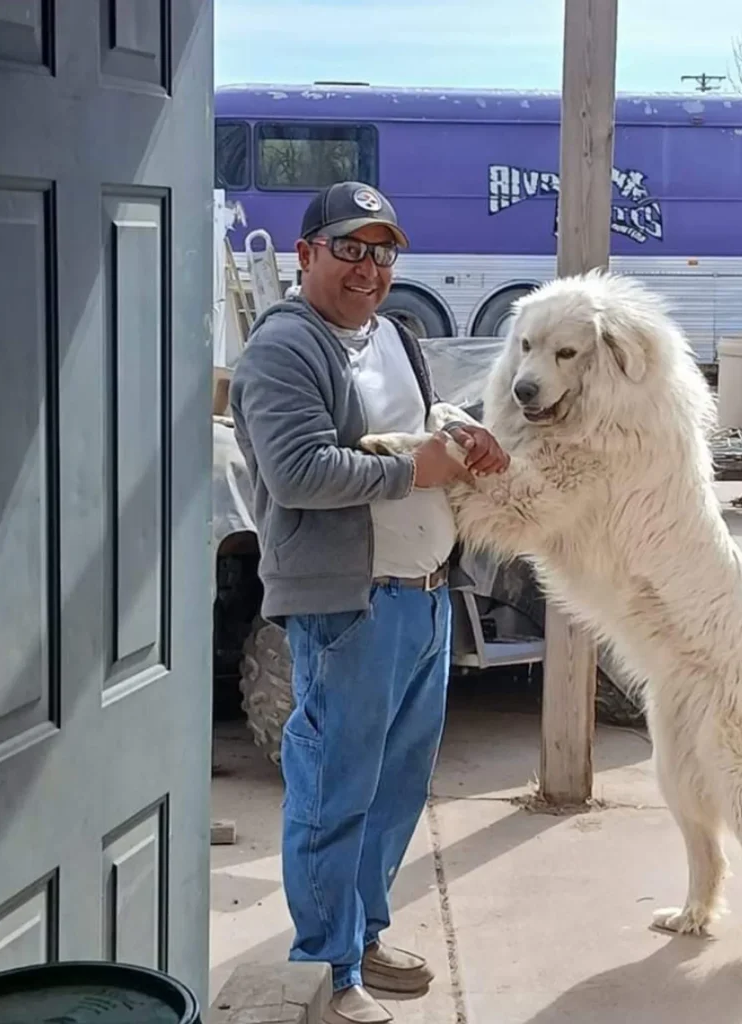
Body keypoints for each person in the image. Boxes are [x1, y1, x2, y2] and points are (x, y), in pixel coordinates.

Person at [229, 181, 509, 1024]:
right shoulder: (285, 349)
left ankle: (364, 937)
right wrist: (412, 469)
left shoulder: (393, 333)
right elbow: (298, 472)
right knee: (335, 790)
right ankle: (326, 966)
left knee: (393, 790)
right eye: (349, 247)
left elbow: (416, 419)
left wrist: (460, 430)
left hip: (423, 599)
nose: (369, 268)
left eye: (384, 252)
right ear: (306, 254)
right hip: (352, 605)